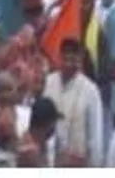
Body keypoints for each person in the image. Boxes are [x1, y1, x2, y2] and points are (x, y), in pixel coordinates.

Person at [43, 38, 104, 166]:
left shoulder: (90, 90)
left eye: (73, 60)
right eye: (66, 59)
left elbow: (95, 138)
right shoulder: (48, 83)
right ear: (60, 57)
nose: (69, 64)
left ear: (80, 60)